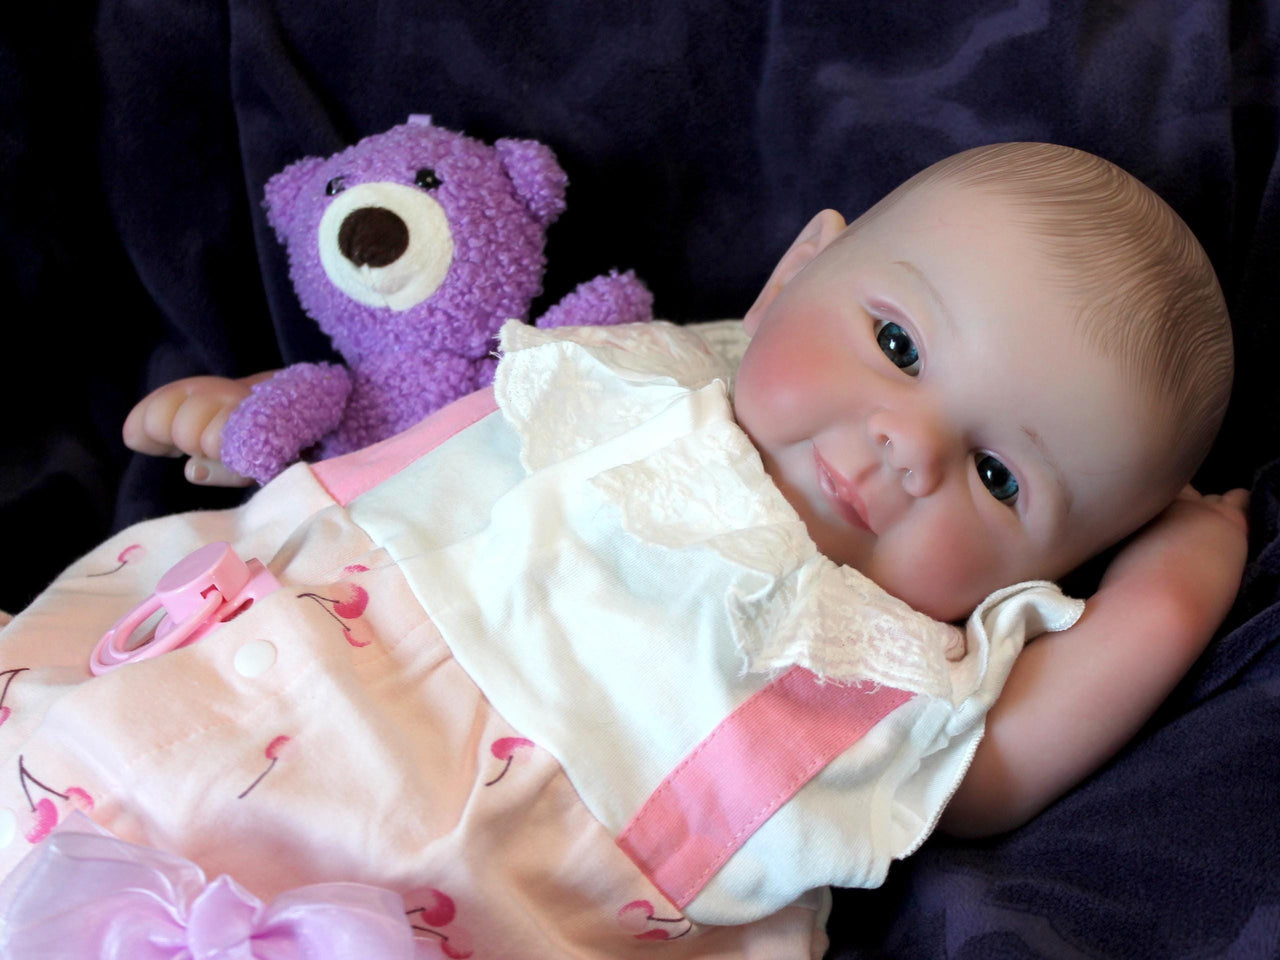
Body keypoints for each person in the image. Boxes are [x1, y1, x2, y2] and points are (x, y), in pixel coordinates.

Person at [0, 142, 1248, 957]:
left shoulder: (875, 660)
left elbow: (994, 773)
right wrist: (255, 413)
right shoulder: (608, 379)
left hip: (422, 910)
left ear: (1042, 575)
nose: (904, 446)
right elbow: (408, 421)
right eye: (898, 346)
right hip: (163, 722)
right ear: (795, 272)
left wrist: (1176, 586)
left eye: (997, 476)